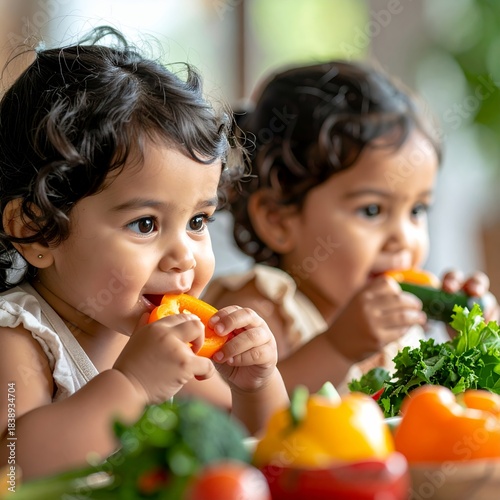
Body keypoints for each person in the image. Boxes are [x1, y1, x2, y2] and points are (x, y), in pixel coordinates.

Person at [0, 27, 288, 481]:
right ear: (37, 232)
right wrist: (132, 385)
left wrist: (257, 387)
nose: (184, 257)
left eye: (197, 222)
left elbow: (262, 452)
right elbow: (15, 465)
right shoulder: (21, 340)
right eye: (145, 224)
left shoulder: (172, 341)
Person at [191, 60, 499, 401]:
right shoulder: (256, 312)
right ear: (278, 219)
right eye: (372, 210)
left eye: (417, 210)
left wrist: (468, 340)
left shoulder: (404, 326)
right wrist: (339, 348)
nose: (403, 238)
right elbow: (243, 418)